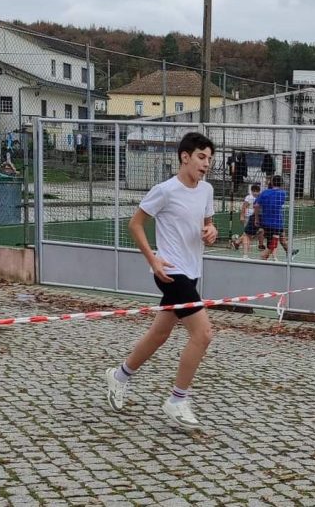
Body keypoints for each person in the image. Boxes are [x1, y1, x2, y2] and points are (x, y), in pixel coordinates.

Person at [105, 132, 218, 430]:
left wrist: (211, 231)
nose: (206, 164)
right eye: (201, 157)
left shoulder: (206, 191)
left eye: (209, 159)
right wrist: (152, 260)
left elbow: (207, 225)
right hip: (170, 273)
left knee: (159, 334)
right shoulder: (165, 190)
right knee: (203, 333)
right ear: (185, 157)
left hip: (192, 272)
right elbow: (135, 224)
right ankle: (177, 399)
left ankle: (119, 376)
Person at [255, 175, 298, 261]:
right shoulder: (282, 193)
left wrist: (256, 219)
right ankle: (263, 258)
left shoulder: (264, 193)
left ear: (271, 182)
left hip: (266, 221)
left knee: (282, 237)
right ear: (281, 183)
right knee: (271, 245)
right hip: (276, 222)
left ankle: (289, 251)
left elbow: (256, 205)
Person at [235, 183, 262, 258]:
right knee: (247, 233)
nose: (256, 193)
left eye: (258, 191)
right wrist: (242, 216)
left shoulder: (259, 197)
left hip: (254, 217)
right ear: (252, 191)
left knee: (249, 234)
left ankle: (237, 242)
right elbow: (244, 207)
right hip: (248, 216)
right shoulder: (248, 197)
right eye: (255, 191)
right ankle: (242, 248)